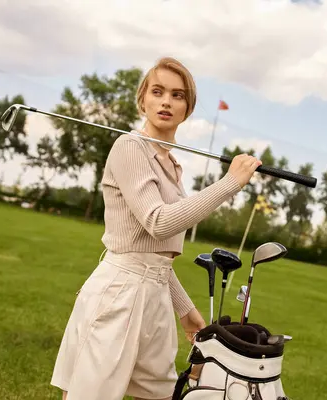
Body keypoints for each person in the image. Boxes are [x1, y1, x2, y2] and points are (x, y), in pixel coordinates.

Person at [50, 57, 262, 400]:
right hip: (119, 294)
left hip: (155, 299)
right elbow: (158, 222)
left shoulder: (173, 165)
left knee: (165, 394)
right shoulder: (130, 147)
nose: (166, 101)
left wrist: (186, 310)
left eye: (177, 95)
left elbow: (157, 255)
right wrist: (229, 184)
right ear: (143, 99)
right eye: (158, 91)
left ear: (187, 107)